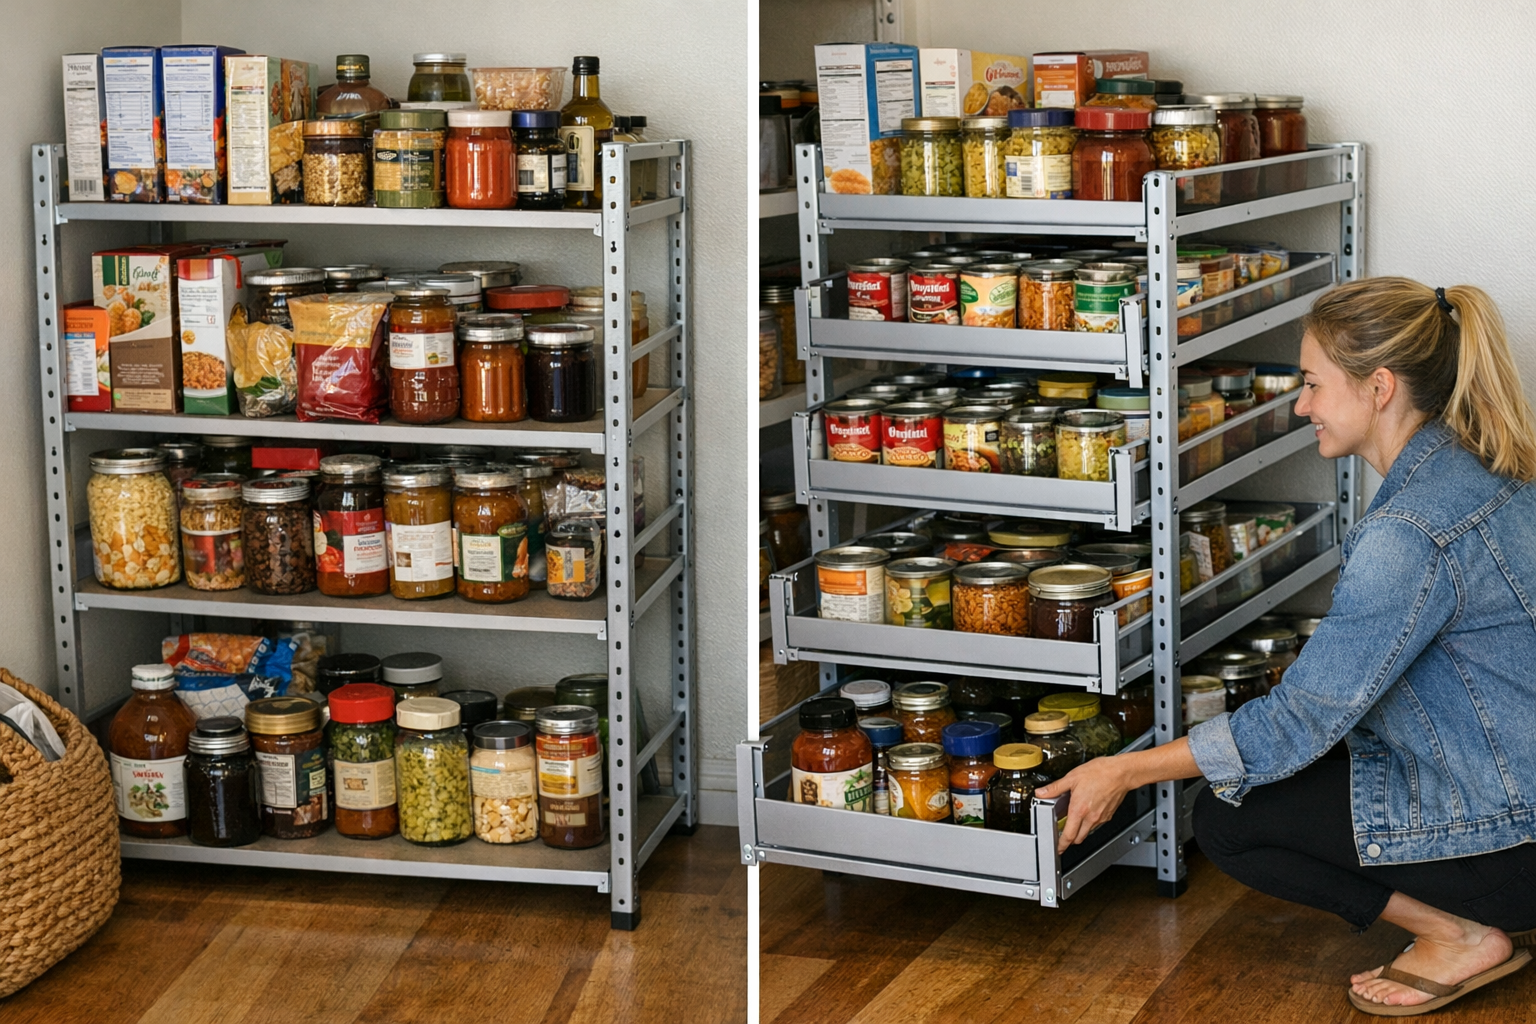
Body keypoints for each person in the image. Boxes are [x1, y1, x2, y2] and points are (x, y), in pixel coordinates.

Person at [1040, 278, 1536, 1016]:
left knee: (1229, 822)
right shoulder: (1488, 469)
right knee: (1286, 767)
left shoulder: (1408, 532)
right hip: (1516, 789)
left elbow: (1299, 721)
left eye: (1311, 383)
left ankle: (1461, 934)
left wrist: (1122, 770)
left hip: (1510, 841)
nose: (1301, 406)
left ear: (1378, 388)